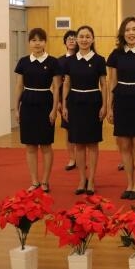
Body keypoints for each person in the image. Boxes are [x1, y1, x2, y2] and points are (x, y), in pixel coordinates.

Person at [106, 17, 135, 200]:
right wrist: (110, 107)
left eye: (134, 29)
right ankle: (129, 183)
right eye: (127, 30)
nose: (131, 33)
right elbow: (112, 82)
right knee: (124, 145)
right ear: (122, 33)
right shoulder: (116, 54)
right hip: (121, 101)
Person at [13, 27, 61, 192]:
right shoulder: (23, 62)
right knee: (30, 146)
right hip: (27, 104)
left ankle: (45, 181)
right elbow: (19, 86)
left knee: (46, 145)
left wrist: (54, 110)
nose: (37, 43)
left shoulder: (53, 62)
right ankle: (34, 181)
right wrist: (16, 108)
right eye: (33, 40)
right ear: (29, 43)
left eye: (40, 40)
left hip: (46, 103)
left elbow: (56, 88)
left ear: (45, 42)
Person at [61, 25, 107, 196]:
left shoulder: (99, 60)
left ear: (92, 39)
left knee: (93, 143)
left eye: (88, 36)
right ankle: (82, 179)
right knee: (78, 143)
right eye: (81, 36)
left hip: (94, 103)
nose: (84, 39)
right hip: (75, 103)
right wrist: (64, 105)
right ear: (76, 39)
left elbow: (104, 84)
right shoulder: (70, 60)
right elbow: (66, 83)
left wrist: (105, 105)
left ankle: (92, 179)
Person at [59, 30, 78, 171]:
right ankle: (72, 159)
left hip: (80, 99)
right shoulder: (59, 61)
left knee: (81, 130)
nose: (71, 40)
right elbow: (57, 83)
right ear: (65, 42)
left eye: (74, 38)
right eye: (69, 38)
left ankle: (82, 158)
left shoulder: (81, 58)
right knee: (68, 130)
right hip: (65, 100)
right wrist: (60, 102)